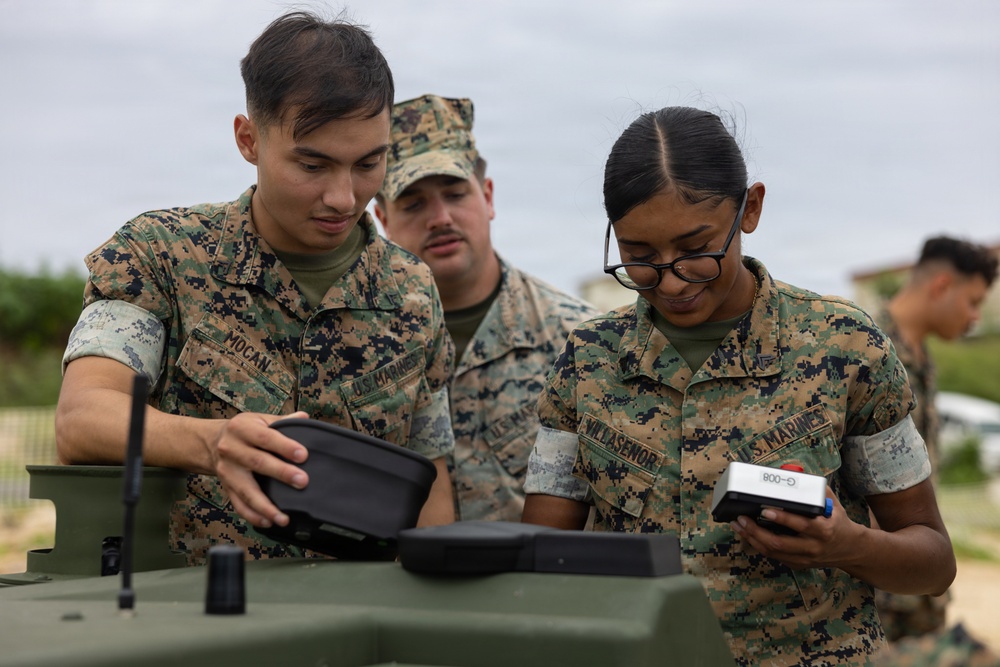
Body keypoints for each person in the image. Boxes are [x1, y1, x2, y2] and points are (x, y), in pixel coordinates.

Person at [520, 105, 956, 666]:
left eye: (696, 249)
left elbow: (934, 562)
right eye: (639, 257)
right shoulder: (588, 362)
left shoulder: (844, 346)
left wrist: (851, 545)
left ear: (749, 210)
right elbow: (540, 558)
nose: (672, 278)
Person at [54, 12, 456, 566]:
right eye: (312, 164)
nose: (344, 196)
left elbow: (429, 475)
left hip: (357, 621)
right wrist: (211, 442)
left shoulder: (412, 292)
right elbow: (82, 418)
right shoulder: (161, 254)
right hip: (190, 617)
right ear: (249, 139)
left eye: (369, 163)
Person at [374, 94, 599, 522]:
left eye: (456, 194)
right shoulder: (361, 345)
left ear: (489, 196)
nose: (440, 218)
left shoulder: (579, 342)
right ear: (382, 219)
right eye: (414, 203)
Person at [873, 236, 997, 651]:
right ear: (942, 286)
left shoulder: (921, 357)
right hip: (874, 588)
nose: (975, 317)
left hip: (917, 583)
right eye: (973, 302)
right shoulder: (864, 349)